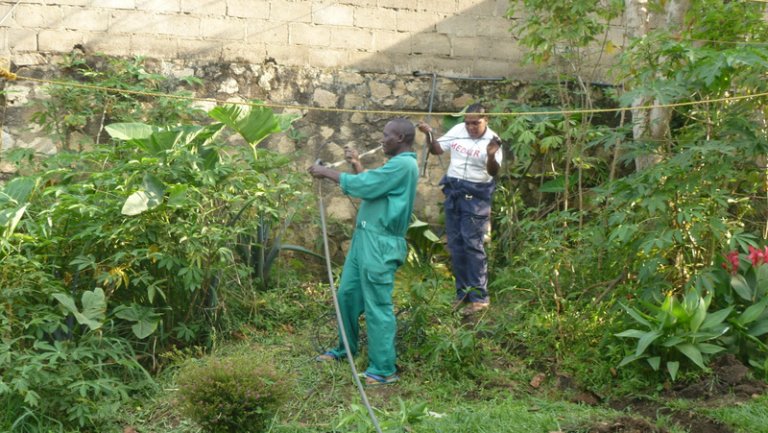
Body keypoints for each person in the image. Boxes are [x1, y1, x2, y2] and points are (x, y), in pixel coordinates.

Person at [309, 118, 419, 386]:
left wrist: (325, 173)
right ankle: (345, 349)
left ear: (402, 138)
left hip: (380, 243)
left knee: (377, 304)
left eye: (387, 136)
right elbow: (372, 187)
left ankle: (383, 369)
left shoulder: (404, 164)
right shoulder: (395, 165)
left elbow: (366, 186)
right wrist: (356, 164)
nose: (382, 140)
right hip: (365, 238)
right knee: (347, 293)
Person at [417, 103, 502, 315]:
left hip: (476, 195)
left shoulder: (492, 140)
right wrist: (429, 134)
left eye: (476, 123)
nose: (471, 127)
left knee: (473, 245)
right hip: (454, 191)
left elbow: (493, 172)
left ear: (486, 120)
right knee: (456, 244)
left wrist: (491, 155)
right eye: (468, 122)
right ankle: (462, 294)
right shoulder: (458, 131)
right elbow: (437, 149)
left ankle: (480, 298)